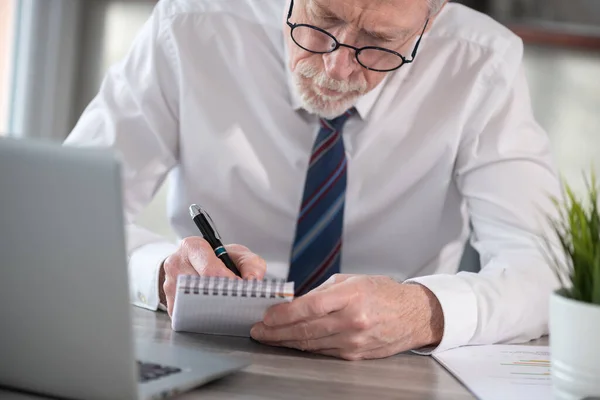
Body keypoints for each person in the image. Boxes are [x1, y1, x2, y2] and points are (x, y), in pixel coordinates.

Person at [64, 0, 562, 361]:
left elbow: (545, 269)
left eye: (380, 43)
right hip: (201, 348)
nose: (337, 65)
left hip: (388, 369)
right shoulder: (191, 26)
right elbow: (66, 217)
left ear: (430, 20)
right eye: (321, 21)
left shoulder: (481, 62)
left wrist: (424, 311)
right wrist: (161, 270)